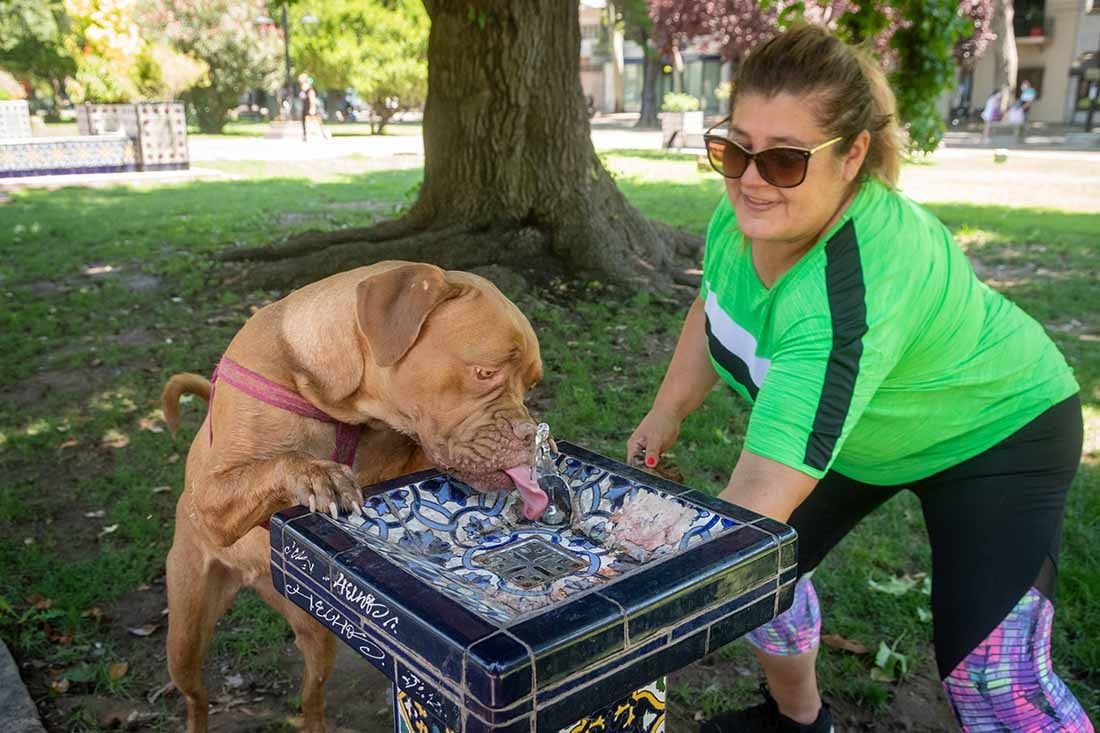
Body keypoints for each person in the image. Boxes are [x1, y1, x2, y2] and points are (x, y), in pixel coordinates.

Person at [627, 25, 1091, 733]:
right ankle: (798, 720)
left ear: (852, 156)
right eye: (735, 148)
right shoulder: (743, 214)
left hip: (997, 430)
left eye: (784, 159)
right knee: (766, 576)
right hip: (862, 428)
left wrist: (627, 588)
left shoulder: (850, 287)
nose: (751, 178)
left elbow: (756, 502)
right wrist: (666, 411)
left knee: (991, 677)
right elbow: (712, 303)